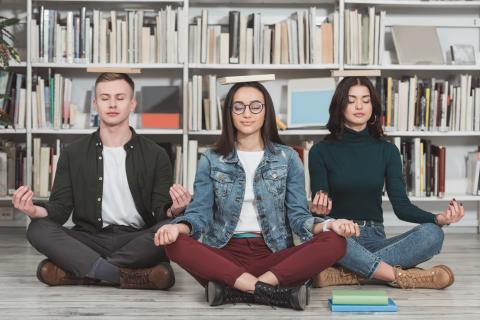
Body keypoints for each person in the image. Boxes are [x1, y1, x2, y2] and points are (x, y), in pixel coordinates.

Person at [154, 81, 360, 310]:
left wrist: (331, 225)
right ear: (229, 113)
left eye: (255, 106)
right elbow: (198, 215)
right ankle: (274, 294)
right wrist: (176, 228)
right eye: (238, 107)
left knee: (336, 242)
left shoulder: (288, 158)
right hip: (224, 257)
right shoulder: (211, 159)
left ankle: (235, 291)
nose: (247, 114)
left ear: (266, 111)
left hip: (274, 257)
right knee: (173, 243)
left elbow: (299, 218)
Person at [12, 73, 191, 290]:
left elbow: (161, 213)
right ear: (95, 104)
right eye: (105, 98)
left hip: (136, 239)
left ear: (132, 103)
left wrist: (175, 210)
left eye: (120, 97)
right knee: (37, 229)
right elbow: (59, 210)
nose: (113, 104)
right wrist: (32, 210)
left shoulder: (156, 154)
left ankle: (82, 272)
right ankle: (126, 275)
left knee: (173, 229)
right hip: (89, 238)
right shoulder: (73, 153)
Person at [309, 76, 464, 290]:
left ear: (373, 106)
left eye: (365, 100)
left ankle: (350, 274)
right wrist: (319, 209)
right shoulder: (320, 151)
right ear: (340, 105)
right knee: (324, 239)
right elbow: (321, 205)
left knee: (433, 234)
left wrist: (438, 218)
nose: (359, 106)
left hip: (375, 237)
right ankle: (395, 274)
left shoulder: (388, 151)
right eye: (351, 100)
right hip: (341, 237)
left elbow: (401, 207)